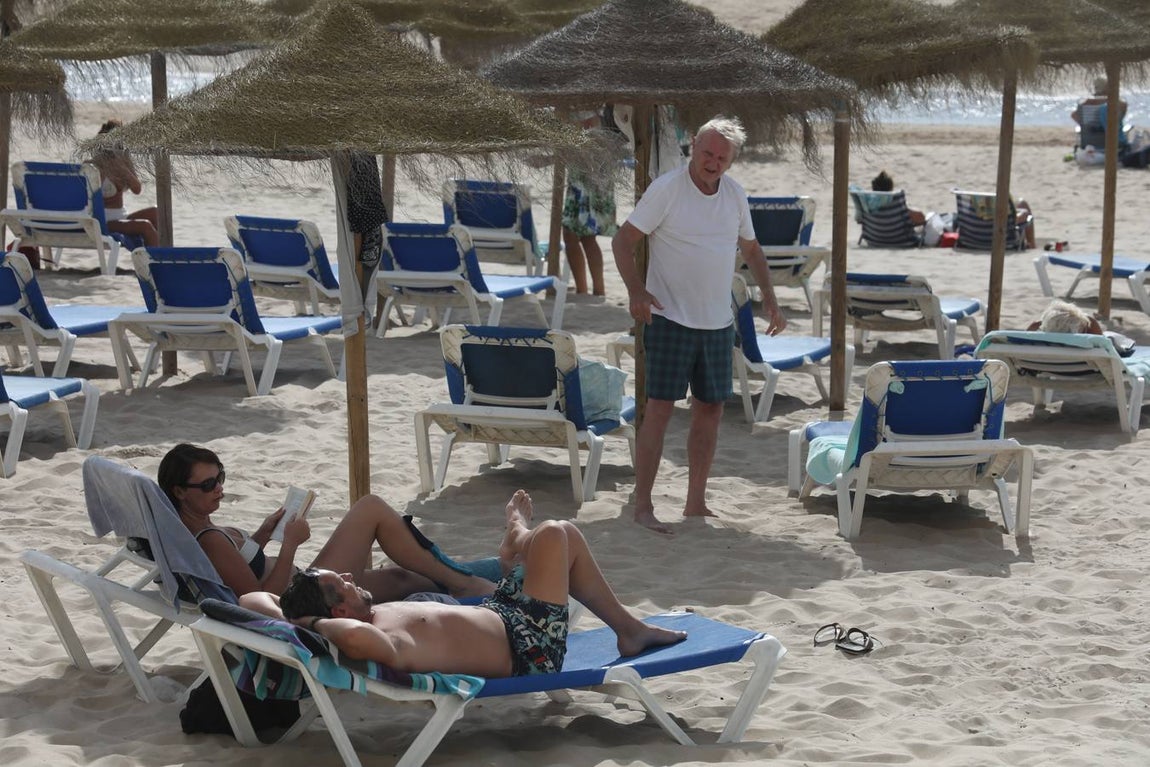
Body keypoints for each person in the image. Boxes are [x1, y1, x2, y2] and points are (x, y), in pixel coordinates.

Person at [241, 490, 687, 677]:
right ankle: (518, 535)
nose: (348, 575)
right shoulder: (376, 636)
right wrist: (311, 624)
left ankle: (627, 629)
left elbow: (251, 598)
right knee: (554, 532)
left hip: (502, 613)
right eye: (339, 582)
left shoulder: (367, 616)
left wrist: (293, 614)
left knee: (564, 536)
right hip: (528, 646)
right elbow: (353, 638)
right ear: (337, 612)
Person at [611, 116, 786, 534]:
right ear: (692, 146)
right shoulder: (667, 189)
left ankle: (695, 502)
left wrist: (771, 300)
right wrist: (636, 292)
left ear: (731, 161)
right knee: (659, 410)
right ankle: (643, 505)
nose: (713, 162)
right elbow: (623, 241)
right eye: (707, 153)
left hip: (717, 322)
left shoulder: (735, 195)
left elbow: (752, 249)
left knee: (710, 410)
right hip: (669, 317)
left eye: (721, 157)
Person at [158, 443, 497, 602]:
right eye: (207, 485)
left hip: (305, 586)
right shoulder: (208, 539)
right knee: (371, 509)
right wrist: (289, 544)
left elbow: (238, 569)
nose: (218, 488)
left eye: (220, 478)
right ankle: (471, 583)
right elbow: (261, 601)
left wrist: (261, 536)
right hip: (302, 600)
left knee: (403, 578)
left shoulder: (198, 530)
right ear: (179, 491)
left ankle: (481, 580)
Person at [562, 109, 618, 296]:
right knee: (582, 236)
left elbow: (587, 129)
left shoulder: (586, 103)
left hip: (589, 175)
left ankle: (589, 290)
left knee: (577, 234)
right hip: (584, 175)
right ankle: (589, 290)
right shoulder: (581, 101)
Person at [90, 119, 160, 247]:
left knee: (157, 212)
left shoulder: (121, 162)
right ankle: (157, 264)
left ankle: (161, 253)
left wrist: (122, 167)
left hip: (121, 216)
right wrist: (104, 166)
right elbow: (91, 194)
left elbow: (137, 189)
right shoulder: (93, 166)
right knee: (145, 226)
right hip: (103, 220)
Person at [1071, 76, 1128, 152]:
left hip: (1090, 142)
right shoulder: (1118, 102)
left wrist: (1085, 126)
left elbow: (1073, 115)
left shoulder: (1088, 102)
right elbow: (1122, 114)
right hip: (1114, 143)